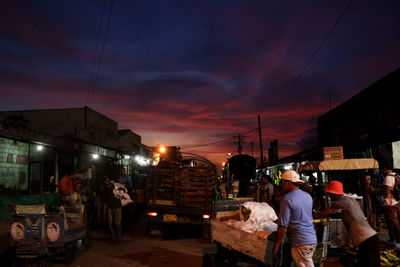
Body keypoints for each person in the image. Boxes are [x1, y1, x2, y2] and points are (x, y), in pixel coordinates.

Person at [314, 180, 379, 267]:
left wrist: (308, 215)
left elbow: (322, 214)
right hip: (370, 235)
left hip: (365, 238)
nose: (329, 197)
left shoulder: (339, 203)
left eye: (330, 194)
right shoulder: (350, 199)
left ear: (334, 194)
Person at [272, 170, 317, 267]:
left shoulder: (287, 199)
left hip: (300, 240)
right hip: (311, 238)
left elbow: (283, 226)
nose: (281, 185)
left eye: (282, 182)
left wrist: (277, 245)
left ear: (288, 182)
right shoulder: (307, 196)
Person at [381, 166, 400, 244]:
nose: (381, 172)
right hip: (396, 202)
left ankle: (398, 240)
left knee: (394, 223)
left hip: (390, 204)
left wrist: (376, 192)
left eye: (381, 170)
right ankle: (392, 239)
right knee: (392, 223)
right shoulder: (397, 175)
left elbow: (386, 192)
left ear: (384, 169)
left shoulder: (388, 177)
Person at [102, 176, 122, 243]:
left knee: (117, 223)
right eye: (105, 180)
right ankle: (114, 236)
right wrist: (104, 213)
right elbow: (104, 202)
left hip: (117, 207)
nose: (107, 181)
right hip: (110, 208)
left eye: (108, 180)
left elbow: (121, 191)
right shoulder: (104, 190)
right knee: (110, 224)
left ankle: (118, 238)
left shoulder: (115, 187)